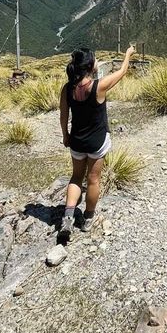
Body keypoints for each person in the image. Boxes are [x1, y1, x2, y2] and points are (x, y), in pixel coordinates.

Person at [58, 44, 135, 241]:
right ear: (90, 65)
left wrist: (66, 136)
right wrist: (128, 54)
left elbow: (63, 115)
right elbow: (123, 71)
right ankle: (88, 219)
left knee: (76, 178)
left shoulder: (67, 89)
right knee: (93, 180)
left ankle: (67, 217)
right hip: (97, 142)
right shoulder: (98, 86)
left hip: (77, 141)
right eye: (95, 60)